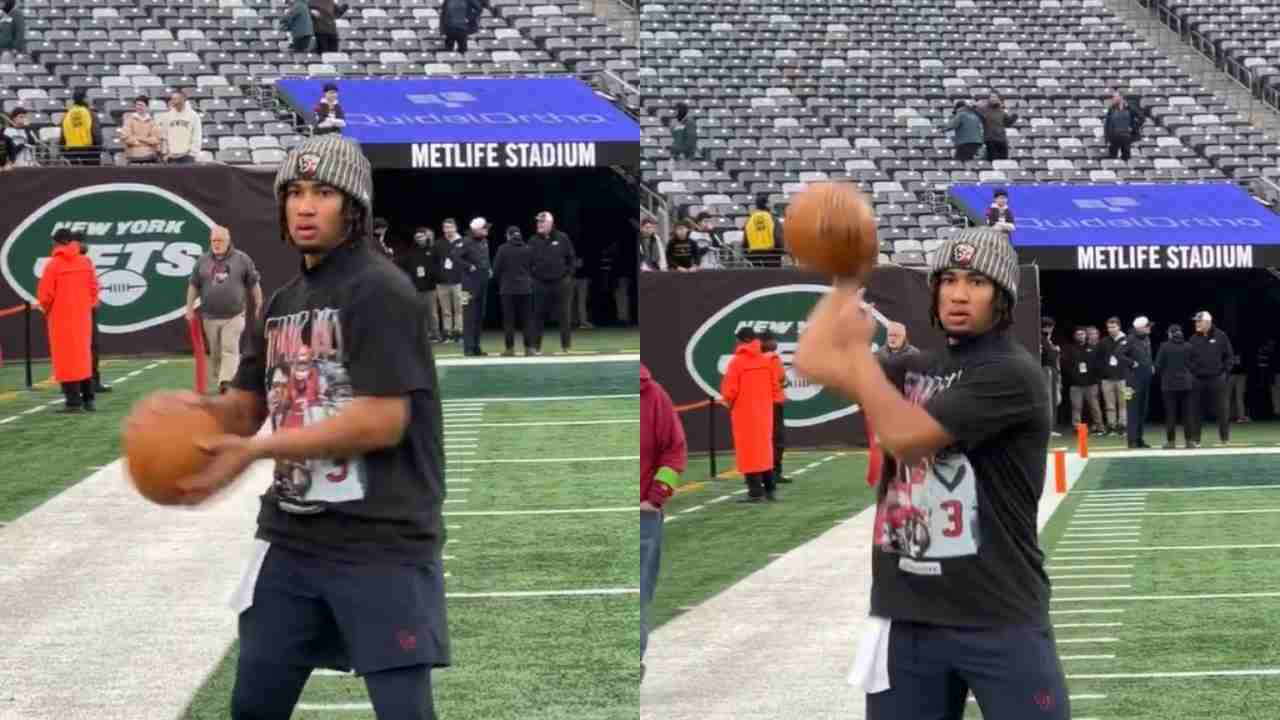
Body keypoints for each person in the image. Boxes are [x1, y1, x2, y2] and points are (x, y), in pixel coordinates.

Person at [128, 134, 448, 718]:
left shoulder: (381, 291)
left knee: (405, 712)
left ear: (353, 206)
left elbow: (382, 419)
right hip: (292, 539)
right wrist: (191, 412)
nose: (305, 206)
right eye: (294, 192)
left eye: (323, 192)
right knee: (253, 707)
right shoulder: (282, 301)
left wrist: (256, 452)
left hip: (382, 539)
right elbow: (248, 406)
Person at [793, 228, 1066, 720]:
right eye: (950, 279)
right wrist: (845, 280)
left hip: (996, 611)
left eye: (977, 282)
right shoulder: (922, 365)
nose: (960, 294)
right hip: (907, 615)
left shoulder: (1012, 373)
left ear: (1001, 297)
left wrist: (859, 356)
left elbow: (905, 436)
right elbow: (811, 361)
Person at [640, 363, 686, 679]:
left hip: (642, 515)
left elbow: (674, 450)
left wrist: (655, 498)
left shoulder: (653, 395)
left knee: (638, 593)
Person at [187, 226, 264, 394]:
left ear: (228, 241)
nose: (216, 244)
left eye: (220, 240)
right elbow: (193, 285)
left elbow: (253, 282)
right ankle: (221, 377)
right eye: (214, 240)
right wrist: (189, 308)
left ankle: (226, 382)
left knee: (229, 348)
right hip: (210, 317)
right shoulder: (202, 261)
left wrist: (259, 303)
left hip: (234, 316)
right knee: (215, 353)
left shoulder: (242, 259)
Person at [37, 229, 99, 413]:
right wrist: (85, 306)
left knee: (65, 360)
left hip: (60, 319)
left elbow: (45, 296)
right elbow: (94, 289)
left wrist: (47, 310)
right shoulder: (85, 261)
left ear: (56, 242)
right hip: (83, 318)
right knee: (83, 357)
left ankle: (73, 402)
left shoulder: (53, 265)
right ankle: (89, 400)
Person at [720, 327, 779, 503]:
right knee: (765, 449)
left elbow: (729, 391)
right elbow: (775, 386)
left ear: (743, 341)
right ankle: (769, 488)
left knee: (748, 452)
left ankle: (755, 492)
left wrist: (729, 403)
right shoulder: (765, 360)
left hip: (744, 414)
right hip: (765, 413)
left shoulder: (737, 363)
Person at [528, 211, 576, 355]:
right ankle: (535, 347)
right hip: (540, 283)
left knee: (564, 316)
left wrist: (568, 276)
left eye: (542, 222)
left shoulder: (562, 238)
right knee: (537, 316)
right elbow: (527, 262)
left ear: (550, 223)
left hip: (561, 283)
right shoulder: (532, 240)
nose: (539, 224)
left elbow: (571, 258)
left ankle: (566, 347)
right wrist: (533, 278)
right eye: (538, 222)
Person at [1186, 310, 1233, 447]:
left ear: (1207, 322)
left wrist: (1224, 372)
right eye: (1196, 321)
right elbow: (1188, 359)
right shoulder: (1193, 339)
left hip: (1217, 378)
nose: (1196, 323)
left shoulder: (1221, 336)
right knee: (1195, 410)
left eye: (1198, 321)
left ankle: (1224, 438)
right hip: (1198, 379)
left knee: (1222, 409)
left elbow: (1229, 356)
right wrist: (1193, 372)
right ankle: (1196, 439)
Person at [393, 227, 442, 348]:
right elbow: (401, 263)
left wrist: (436, 278)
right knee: (419, 313)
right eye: (417, 237)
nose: (419, 239)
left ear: (426, 237)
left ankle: (435, 334)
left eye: (421, 236)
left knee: (432, 313)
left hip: (430, 288)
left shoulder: (433, 250)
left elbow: (438, 267)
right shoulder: (411, 252)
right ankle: (422, 335)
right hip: (415, 288)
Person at [492, 225, 534, 356]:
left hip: (508, 290)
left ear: (508, 236)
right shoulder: (528, 249)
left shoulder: (502, 249)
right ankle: (529, 348)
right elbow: (533, 267)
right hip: (525, 289)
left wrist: (500, 281)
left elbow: (496, 270)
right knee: (527, 320)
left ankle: (509, 349)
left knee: (509, 321)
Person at [1113, 316, 1154, 449]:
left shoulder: (1146, 338)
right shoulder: (1129, 339)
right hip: (1131, 381)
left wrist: (1150, 365)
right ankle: (1131, 440)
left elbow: (1146, 355)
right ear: (1139, 328)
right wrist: (1132, 363)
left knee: (1142, 411)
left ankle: (1139, 438)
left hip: (1144, 380)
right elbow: (1118, 353)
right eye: (1147, 326)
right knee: (1132, 411)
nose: (1149, 328)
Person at [1155, 323, 1193, 449]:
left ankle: (1171, 442)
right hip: (1186, 384)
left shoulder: (1164, 346)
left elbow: (1158, 365)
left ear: (1170, 334)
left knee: (1170, 414)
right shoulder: (1188, 346)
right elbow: (1194, 364)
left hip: (1169, 385)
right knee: (1187, 414)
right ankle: (1189, 441)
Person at [759, 329, 790, 484]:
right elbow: (782, 379)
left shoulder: (755, 359)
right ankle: (775, 473)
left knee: (763, 439)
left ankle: (759, 474)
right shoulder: (773, 358)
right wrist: (785, 381)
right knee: (777, 439)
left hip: (760, 404)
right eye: (772, 339)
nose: (775, 343)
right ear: (765, 342)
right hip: (774, 404)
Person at [458, 217, 491, 357]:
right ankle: (468, 348)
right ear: (476, 230)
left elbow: (485, 258)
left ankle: (476, 347)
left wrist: (489, 268)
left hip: (481, 284)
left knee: (479, 316)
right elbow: (454, 256)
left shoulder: (484, 241)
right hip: (467, 286)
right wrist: (468, 266)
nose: (487, 230)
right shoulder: (465, 242)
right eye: (484, 228)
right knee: (468, 317)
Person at [1062, 326, 1104, 434]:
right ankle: (1077, 427)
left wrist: (1095, 378)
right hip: (1076, 385)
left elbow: (1098, 365)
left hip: (1091, 383)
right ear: (1075, 336)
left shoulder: (1092, 348)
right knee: (1076, 407)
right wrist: (1073, 377)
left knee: (1095, 407)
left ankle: (1099, 427)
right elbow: (1066, 365)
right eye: (1078, 334)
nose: (1080, 336)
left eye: (1082, 334)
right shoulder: (1070, 349)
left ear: (1086, 335)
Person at [434, 219, 465, 343]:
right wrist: (438, 276)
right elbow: (434, 262)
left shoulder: (463, 242)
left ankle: (459, 333)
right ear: (443, 229)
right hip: (442, 283)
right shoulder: (438, 243)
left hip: (459, 282)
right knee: (445, 311)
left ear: (455, 228)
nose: (448, 230)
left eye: (450, 227)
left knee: (459, 309)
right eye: (445, 227)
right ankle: (447, 334)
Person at [1097, 316, 1128, 436]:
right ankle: (1111, 427)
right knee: (1109, 405)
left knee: (1124, 404)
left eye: (1113, 327)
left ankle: (1123, 426)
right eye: (1109, 327)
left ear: (1119, 327)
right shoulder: (1104, 341)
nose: (1111, 329)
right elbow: (1098, 359)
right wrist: (1103, 373)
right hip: (1107, 379)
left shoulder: (1127, 340)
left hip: (1123, 378)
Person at [158, 89, 202, 164]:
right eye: (172, 99)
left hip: (187, 156)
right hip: (171, 156)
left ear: (183, 99)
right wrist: (165, 153)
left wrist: (192, 153)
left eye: (175, 99)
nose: (173, 101)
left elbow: (197, 136)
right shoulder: (167, 116)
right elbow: (164, 136)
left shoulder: (194, 116)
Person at [61, 88, 100, 166]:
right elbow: (96, 132)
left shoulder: (67, 114)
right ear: (84, 99)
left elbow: (62, 135)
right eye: (87, 98)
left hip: (71, 151)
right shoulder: (90, 113)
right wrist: (99, 146)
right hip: (89, 150)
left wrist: (63, 150)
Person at [121, 95, 164, 164]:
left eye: (141, 105)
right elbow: (126, 137)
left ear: (146, 106)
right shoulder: (129, 120)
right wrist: (146, 142)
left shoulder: (152, 122)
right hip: (133, 154)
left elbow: (156, 139)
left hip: (150, 154)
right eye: (137, 105)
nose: (138, 107)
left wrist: (139, 139)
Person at [744, 194, 782, 266]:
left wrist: (747, 255)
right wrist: (780, 252)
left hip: (754, 255)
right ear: (766, 204)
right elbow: (778, 237)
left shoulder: (749, 220)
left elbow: (745, 241)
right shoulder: (772, 218)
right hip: (771, 255)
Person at [976, 94, 1017, 161]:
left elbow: (1008, 124)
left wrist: (1015, 114)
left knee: (1003, 160)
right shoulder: (984, 109)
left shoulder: (1001, 111)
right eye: (992, 97)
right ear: (989, 100)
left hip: (1002, 139)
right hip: (990, 139)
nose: (994, 99)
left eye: (995, 97)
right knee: (993, 160)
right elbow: (978, 114)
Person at [1040, 316, 1062, 436]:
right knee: (1049, 399)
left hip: (1052, 371)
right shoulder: (1041, 339)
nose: (1051, 329)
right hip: (1046, 370)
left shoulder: (1048, 339)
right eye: (1049, 327)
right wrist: (1055, 350)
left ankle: (1050, 427)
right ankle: (1048, 428)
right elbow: (1046, 356)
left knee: (1053, 399)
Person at [1103, 93, 1138, 162]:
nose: (1114, 99)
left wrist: (1133, 128)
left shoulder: (1129, 109)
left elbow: (1139, 116)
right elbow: (1107, 125)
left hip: (1126, 136)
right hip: (1114, 137)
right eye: (1114, 98)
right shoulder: (1111, 110)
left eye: (1117, 97)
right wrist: (1107, 139)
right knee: (1112, 157)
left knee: (1126, 157)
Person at [670, 101, 697, 166]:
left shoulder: (689, 122)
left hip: (685, 156)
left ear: (681, 111)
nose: (674, 112)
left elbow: (691, 140)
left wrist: (683, 153)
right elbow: (676, 139)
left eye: (676, 110)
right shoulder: (676, 123)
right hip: (676, 155)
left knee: (683, 173)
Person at [1228, 349, 1249, 423]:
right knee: (1231, 397)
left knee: (1238, 397)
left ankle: (1240, 417)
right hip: (1232, 375)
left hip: (1239, 375)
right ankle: (1234, 416)